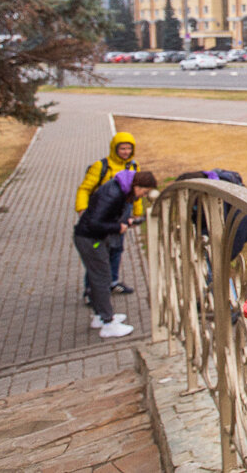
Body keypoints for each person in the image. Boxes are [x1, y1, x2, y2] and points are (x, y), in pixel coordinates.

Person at [74, 170, 157, 338]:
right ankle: (107, 323)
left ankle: (99, 315)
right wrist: (117, 228)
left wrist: (126, 222)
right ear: (137, 185)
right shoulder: (114, 194)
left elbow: (105, 216)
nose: (142, 196)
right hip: (91, 240)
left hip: (92, 238)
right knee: (102, 278)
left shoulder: (119, 189)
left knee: (97, 277)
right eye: (144, 191)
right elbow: (94, 223)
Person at [75, 132, 142, 300]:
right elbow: (84, 188)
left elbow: (137, 192)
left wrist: (137, 213)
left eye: (129, 148)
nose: (126, 152)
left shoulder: (133, 166)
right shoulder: (101, 166)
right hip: (103, 214)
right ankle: (90, 290)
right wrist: (82, 209)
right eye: (122, 148)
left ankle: (112, 281)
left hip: (121, 214)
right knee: (99, 253)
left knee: (116, 249)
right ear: (115, 148)